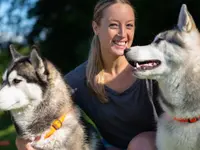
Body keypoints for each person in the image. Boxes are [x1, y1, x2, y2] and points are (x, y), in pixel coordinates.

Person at [16, 0, 162, 150]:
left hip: (162, 143)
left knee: (141, 143)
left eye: (129, 25)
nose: (123, 34)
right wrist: (23, 140)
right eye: (113, 25)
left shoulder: (150, 69)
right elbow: (41, 108)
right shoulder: (77, 81)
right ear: (96, 27)